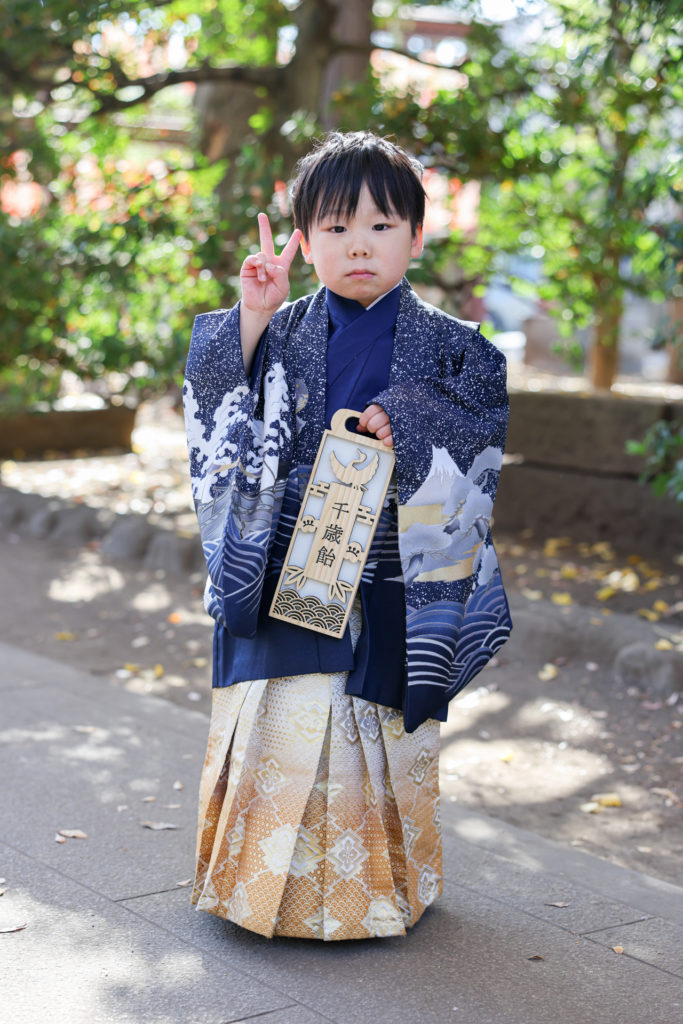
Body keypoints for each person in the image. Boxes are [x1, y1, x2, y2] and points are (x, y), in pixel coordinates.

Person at [183, 131, 512, 941]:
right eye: (335, 227)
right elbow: (216, 401)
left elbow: (480, 427)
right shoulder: (276, 328)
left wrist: (412, 420)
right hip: (284, 564)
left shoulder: (458, 348)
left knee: (380, 731)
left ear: (416, 236)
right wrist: (252, 316)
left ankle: (380, 894)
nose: (358, 245)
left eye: (380, 225)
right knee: (283, 723)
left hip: (393, 575)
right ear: (304, 240)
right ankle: (256, 891)